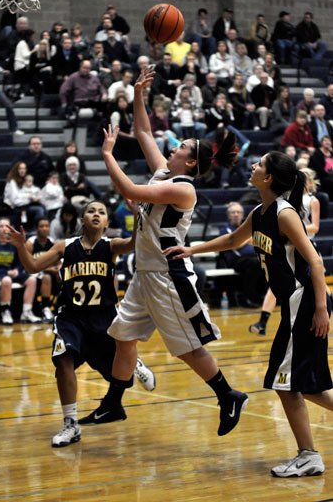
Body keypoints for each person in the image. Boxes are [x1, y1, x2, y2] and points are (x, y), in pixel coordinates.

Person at [79, 66, 248, 437]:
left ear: (189, 162)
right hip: (145, 273)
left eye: (182, 148)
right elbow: (142, 131)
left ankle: (228, 395)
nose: (173, 147)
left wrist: (108, 155)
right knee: (122, 336)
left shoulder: (183, 189)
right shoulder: (164, 173)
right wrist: (138, 93)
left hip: (167, 275)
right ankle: (113, 405)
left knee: (186, 348)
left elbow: (132, 192)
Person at [164, 150, 332, 477]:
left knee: (287, 384)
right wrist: (191, 248)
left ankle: (308, 455)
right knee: (306, 387)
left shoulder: (285, 214)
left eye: (259, 164)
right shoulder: (260, 212)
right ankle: (308, 454)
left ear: (268, 178)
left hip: (305, 303)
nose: (252, 166)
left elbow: (315, 261)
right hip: (295, 304)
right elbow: (231, 239)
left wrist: (322, 308)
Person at [7, 200, 155, 447]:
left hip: (103, 320)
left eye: (101, 212)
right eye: (91, 211)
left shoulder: (111, 246)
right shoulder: (65, 246)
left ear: (107, 222)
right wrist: (22, 247)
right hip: (71, 319)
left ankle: (134, 362)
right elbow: (32, 266)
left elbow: (133, 243)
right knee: (62, 361)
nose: (96, 214)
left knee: (119, 377)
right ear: (82, 219)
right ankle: (71, 424)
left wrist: (137, 215)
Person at [249, 166, 321, 336]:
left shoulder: (312, 200)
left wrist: (295, 229)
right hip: (287, 245)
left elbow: (315, 227)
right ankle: (263, 322)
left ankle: (321, 310)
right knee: (276, 283)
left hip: (306, 245)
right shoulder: (283, 201)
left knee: (318, 283)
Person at [0, 217, 41, 325]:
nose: (4, 228)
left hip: (11, 273)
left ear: (11, 228)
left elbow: (20, 263)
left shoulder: (13, 244)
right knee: (6, 281)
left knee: (32, 280)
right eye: (1, 226)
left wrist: (17, 270)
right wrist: (6, 273)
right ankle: (5, 311)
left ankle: (27, 311)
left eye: (7, 226)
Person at [26, 217, 59, 323]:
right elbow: (29, 264)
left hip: (52, 274)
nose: (44, 228)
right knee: (46, 277)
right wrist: (49, 269)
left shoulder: (52, 242)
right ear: (37, 229)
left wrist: (59, 268)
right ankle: (45, 308)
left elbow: (59, 262)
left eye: (46, 226)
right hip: (33, 274)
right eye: (41, 226)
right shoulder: (31, 243)